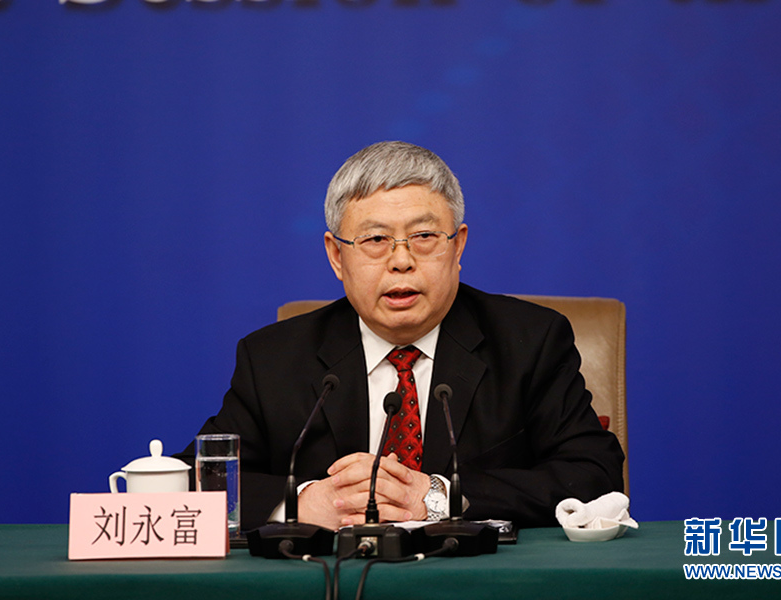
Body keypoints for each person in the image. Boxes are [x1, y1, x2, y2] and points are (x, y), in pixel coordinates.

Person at [179, 141, 624, 531]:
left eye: (424, 236)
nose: (401, 261)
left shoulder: (529, 341)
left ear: (457, 246)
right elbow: (195, 480)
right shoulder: (273, 359)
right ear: (336, 256)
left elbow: (594, 472)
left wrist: (437, 498)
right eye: (375, 239)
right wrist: (301, 503)